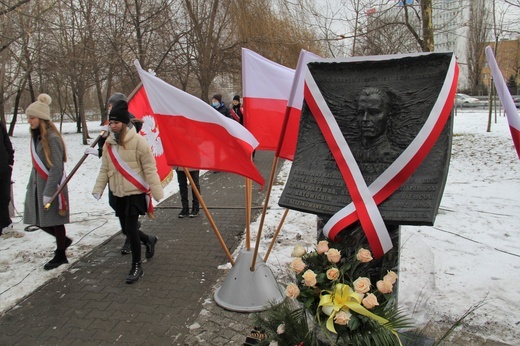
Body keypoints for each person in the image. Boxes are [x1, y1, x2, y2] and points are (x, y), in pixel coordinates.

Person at [92, 99, 163, 284]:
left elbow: (150, 168)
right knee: (125, 229)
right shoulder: (108, 144)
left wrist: (156, 191)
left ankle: (136, 266)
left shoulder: (139, 142)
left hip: (134, 193)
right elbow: (105, 169)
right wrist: (98, 188)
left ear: (124, 123)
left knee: (131, 228)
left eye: (116, 122)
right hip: (117, 193)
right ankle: (149, 239)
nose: (113, 126)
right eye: (111, 122)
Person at [85, 92, 143, 255]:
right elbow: (107, 153)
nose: (109, 108)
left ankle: (130, 239)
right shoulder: (110, 124)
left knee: (127, 212)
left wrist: (111, 132)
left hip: (128, 174)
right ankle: (140, 236)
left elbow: (124, 146)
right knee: (115, 205)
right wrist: (97, 151)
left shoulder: (128, 123)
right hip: (113, 174)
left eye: (111, 105)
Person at [23, 94, 72, 270]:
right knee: (36, 219)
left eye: (32, 117)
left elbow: (56, 168)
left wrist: (49, 192)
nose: (29, 121)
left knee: (55, 222)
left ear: (41, 118)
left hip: (51, 186)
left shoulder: (52, 138)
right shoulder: (37, 137)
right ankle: (64, 242)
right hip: (38, 184)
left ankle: (61, 254)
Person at [0, 120, 15, 235]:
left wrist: (10, 161)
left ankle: (5, 223)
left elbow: (7, 142)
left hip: (4, 168)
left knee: (4, 197)